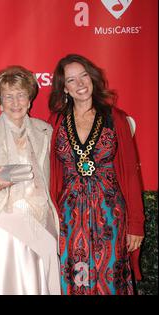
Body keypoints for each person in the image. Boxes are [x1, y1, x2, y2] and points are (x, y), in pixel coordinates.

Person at [48, 54, 145, 295]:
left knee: (110, 279)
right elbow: (50, 172)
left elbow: (131, 175)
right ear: (65, 89)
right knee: (73, 280)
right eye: (72, 80)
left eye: (84, 76)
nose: (80, 84)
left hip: (110, 217)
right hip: (69, 219)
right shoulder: (57, 121)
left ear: (92, 78)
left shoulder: (116, 119)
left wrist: (136, 224)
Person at [0, 65, 61, 295]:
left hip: (40, 220)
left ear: (29, 100)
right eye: (8, 96)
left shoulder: (45, 131)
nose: (15, 102)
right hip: (0, 223)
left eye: (21, 95)